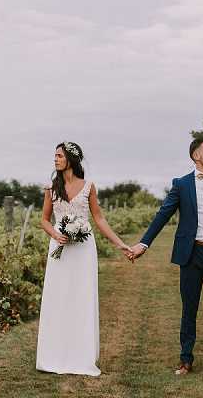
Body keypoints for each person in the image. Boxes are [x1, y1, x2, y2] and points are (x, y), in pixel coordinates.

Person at [130, 137, 203, 376]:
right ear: (196, 156)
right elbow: (163, 215)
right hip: (191, 254)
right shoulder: (181, 185)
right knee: (188, 309)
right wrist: (144, 243)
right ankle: (185, 360)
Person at [36, 141, 133, 376]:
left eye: (59, 155)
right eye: (55, 156)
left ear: (71, 159)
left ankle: (81, 356)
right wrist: (56, 234)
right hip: (59, 247)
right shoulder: (51, 188)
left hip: (83, 248)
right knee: (58, 298)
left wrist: (120, 244)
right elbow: (44, 220)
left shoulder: (89, 186)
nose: (55, 159)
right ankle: (53, 355)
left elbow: (98, 219)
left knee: (81, 297)